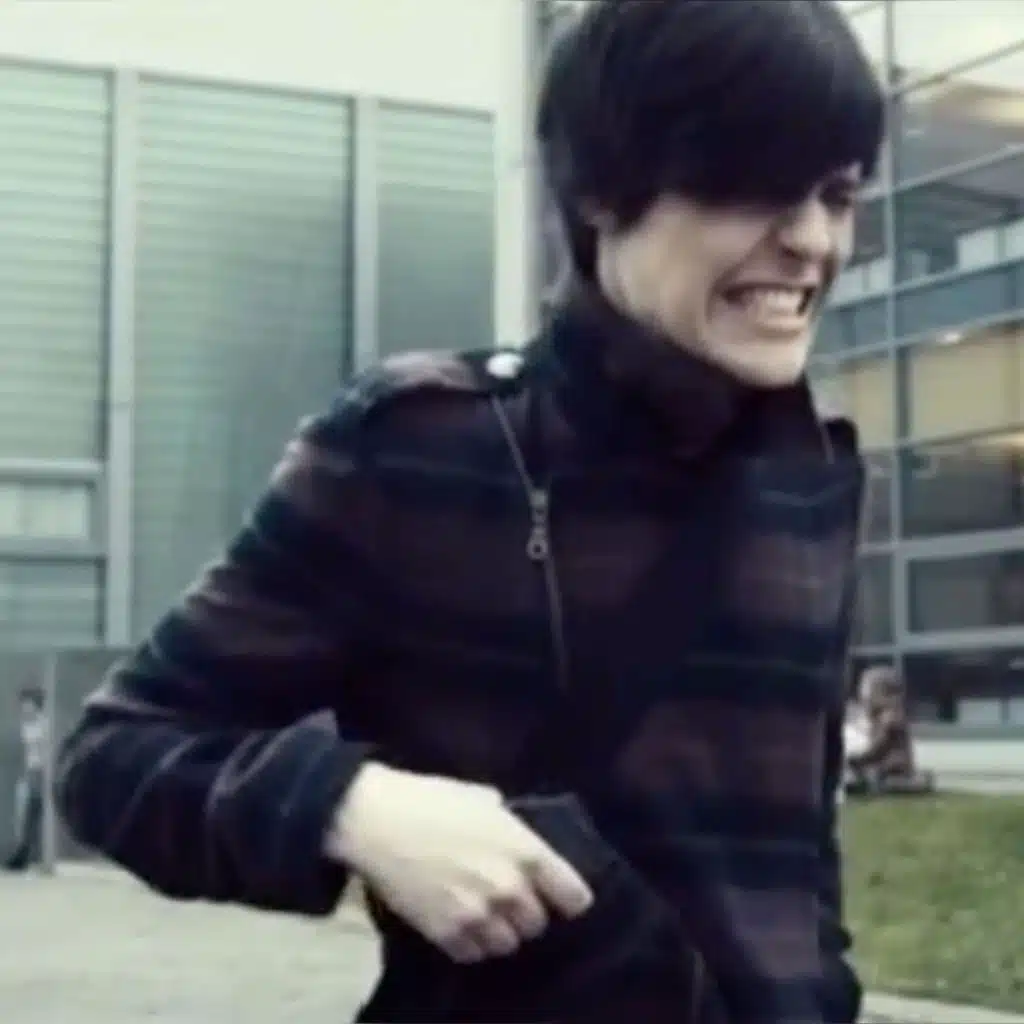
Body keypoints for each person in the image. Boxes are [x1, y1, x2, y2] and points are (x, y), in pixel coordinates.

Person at [54, 2, 884, 1021]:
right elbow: (115, 759)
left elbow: (797, 870)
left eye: (836, 194)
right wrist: (353, 807)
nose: (810, 241)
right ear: (600, 193)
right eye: (751, 189)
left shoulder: (809, 478)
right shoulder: (415, 446)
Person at [846, 666, 935, 797]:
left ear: (881, 693)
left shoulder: (891, 718)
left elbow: (879, 748)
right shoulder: (876, 717)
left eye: (866, 690)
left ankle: (912, 782)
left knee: (884, 781)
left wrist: (859, 759)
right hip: (880, 768)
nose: (862, 696)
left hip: (894, 770)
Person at [5, 686, 47, 871]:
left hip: (41, 772)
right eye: (23, 704)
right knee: (23, 816)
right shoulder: (24, 726)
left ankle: (31, 857)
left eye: (28, 704)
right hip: (28, 772)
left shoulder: (44, 724)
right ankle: (22, 855)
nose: (24, 708)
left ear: (36, 705)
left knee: (36, 814)